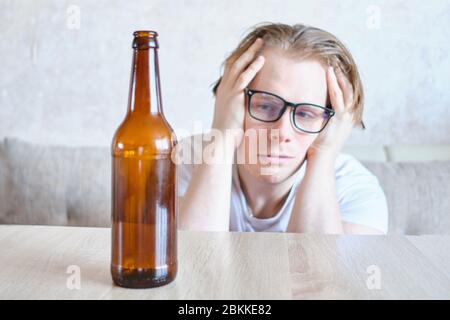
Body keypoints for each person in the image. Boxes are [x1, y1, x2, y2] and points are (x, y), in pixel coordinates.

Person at [176, 22, 388, 234]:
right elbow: (193, 262)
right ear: (232, 101)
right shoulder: (184, 161)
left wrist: (324, 155)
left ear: (331, 123)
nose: (282, 133)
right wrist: (222, 136)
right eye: (266, 105)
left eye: (306, 114)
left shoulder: (356, 191)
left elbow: (317, 267)